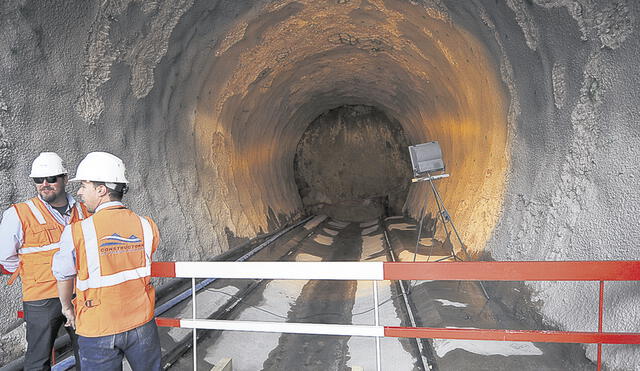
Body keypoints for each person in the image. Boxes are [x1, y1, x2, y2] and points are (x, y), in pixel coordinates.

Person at [52, 152, 161, 370]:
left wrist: (67, 308)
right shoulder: (146, 225)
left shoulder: (77, 232)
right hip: (142, 322)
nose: (80, 192)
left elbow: (64, 275)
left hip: (98, 327)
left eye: (84, 185)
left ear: (101, 190)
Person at [0, 152, 88, 370]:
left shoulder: (84, 210)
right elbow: (5, 258)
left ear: (65, 179)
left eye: (52, 178)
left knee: (88, 354)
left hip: (81, 294)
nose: (45, 184)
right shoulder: (19, 214)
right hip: (41, 298)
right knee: (38, 361)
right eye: (39, 180)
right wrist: (36, 274)